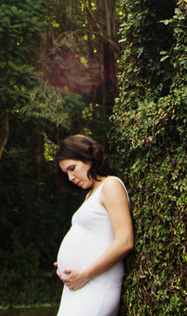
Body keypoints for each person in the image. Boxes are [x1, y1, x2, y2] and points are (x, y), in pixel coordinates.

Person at [53, 134, 134, 316]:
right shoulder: (90, 195)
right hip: (79, 286)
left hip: (97, 284)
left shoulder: (111, 185)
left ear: (87, 157)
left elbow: (125, 241)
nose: (71, 177)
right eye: (66, 173)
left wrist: (85, 274)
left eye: (72, 168)